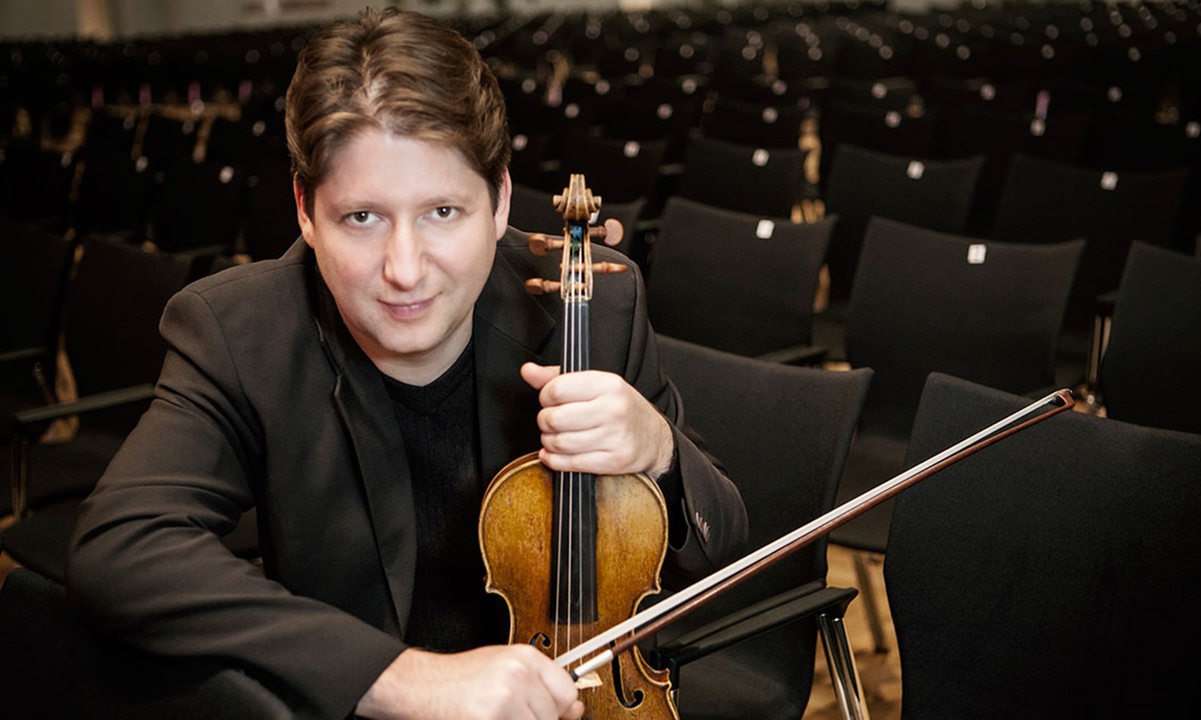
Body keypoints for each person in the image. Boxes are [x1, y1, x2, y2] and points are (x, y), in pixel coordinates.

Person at [65, 8, 748, 720]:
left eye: (443, 212)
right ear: (305, 208)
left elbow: (722, 548)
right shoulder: (240, 332)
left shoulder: (597, 304)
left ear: (500, 200)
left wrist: (661, 453)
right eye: (363, 217)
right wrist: (395, 677)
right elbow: (122, 543)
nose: (405, 269)